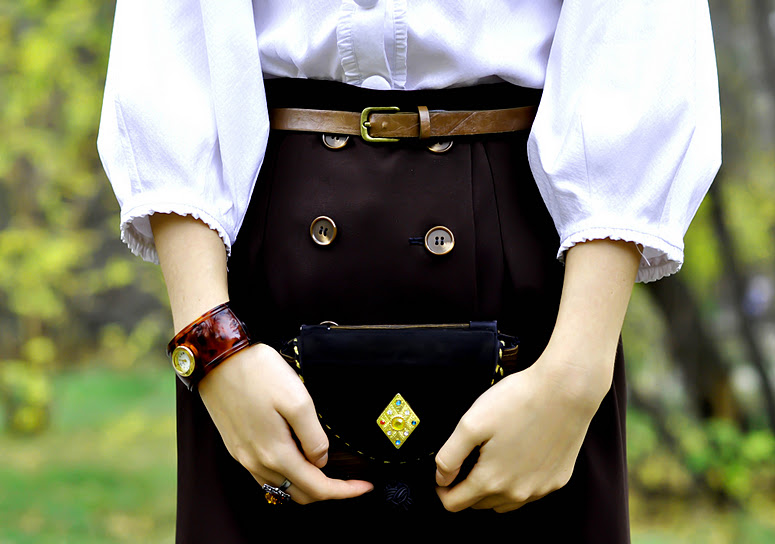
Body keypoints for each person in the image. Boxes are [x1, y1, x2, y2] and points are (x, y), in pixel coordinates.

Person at [98, 1, 721, 540]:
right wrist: (212, 346)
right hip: (260, 298)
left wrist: (576, 375)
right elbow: (169, 40)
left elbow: (637, 34)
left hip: (535, 283)